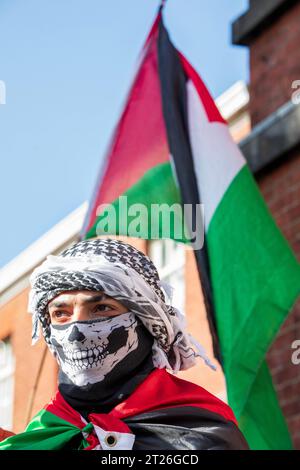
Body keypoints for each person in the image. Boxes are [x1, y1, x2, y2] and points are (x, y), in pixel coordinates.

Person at [0, 238, 248, 450]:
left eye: (101, 309)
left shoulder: (202, 432)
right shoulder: (36, 438)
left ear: (146, 322)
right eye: (61, 314)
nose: (76, 332)